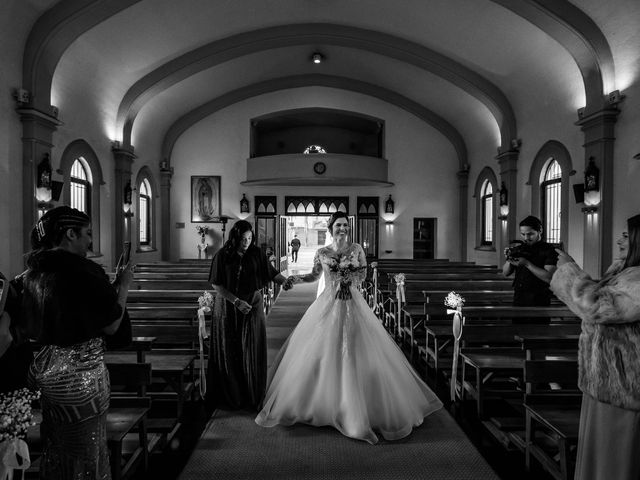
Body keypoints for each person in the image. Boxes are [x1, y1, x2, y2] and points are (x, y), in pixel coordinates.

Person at [256, 212, 442, 444]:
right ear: (331, 227)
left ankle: (359, 406)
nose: (342, 228)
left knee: (357, 346)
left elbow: (363, 274)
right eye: (338, 225)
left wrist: (348, 277)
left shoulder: (356, 250)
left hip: (352, 303)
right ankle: (321, 402)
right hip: (328, 303)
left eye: (345, 225)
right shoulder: (322, 253)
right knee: (321, 348)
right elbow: (315, 276)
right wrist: (295, 279)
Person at [22, 206, 134, 480]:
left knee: (56, 448)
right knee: (87, 454)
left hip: (46, 374)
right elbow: (111, 324)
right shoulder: (84, 272)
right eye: (87, 234)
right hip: (81, 378)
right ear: (70, 234)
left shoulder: (34, 273)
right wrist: (124, 286)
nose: (90, 241)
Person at [550, 214, 640, 480]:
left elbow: (596, 307)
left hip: (624, 388)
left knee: (615, 463)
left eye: (626, 235)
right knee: (600, 461)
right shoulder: (627, 273)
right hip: (606, 383)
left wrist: (569, 269)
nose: (619, 240)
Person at [206, 220, 290, 411]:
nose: (246, 242)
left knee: (251, 347)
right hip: (228, 306)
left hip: (252, 304)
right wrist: (236, 301)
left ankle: (252, 394)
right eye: (243, 239)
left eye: (250, 238)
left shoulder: (256, 254)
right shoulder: (223, 256)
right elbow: (216, 284)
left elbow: (270, 272)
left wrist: (286, 282)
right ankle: (232, 395)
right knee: (230, 348)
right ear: (235, 238)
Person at [502, 215, 558, 306]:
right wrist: (509, 258)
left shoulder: (549, 250)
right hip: (519, 298)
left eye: (530, 234)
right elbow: (505, 273)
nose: (526, 238)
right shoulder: (519, 248)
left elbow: (549, 278)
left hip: (540, 299)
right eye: (523, 234)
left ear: (540, 231)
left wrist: (527, 264)